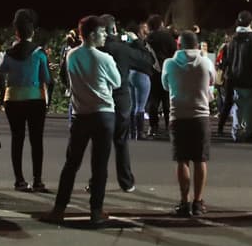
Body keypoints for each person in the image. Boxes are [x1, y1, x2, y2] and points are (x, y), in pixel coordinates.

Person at [47, 15, 121, 227]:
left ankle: (59, 208)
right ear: (91, 35)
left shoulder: (71, 55)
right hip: (104, 114)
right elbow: (116, 82)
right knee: (99, 165)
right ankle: (96, 211)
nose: (106, 34)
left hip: (81, 115)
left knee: (71, 163)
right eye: (102, 31)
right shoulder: (104, 58)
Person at [162, 30, 215, 217]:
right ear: (197, 45)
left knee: (182, 159)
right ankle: (198, 202)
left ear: (179, 45)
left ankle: (184, 202)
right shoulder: (206, 62)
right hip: (201, 115)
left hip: (178, 115)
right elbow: (212, 81)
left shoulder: (169, 64)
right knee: (200, 159)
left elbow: (165, 85)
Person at [0, 9, 52, 191]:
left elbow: (2, 70)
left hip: (12, 99)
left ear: (16, 32)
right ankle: (38, 180)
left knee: (17, 139)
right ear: (32, 32)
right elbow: (46, 78)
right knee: (36, 141)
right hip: (35, 99)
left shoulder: (9, 53)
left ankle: (19, 180)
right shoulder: (39, 53)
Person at [101, 14, 149, 193]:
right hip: (120, 98)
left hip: (99, 99)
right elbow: (146, 62)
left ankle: (97, 180)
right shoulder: (122, 48)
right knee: (121, 141)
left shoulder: (95, 49)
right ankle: (126, 181)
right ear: (114, 29)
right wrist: (136, 41)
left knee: (100, 143)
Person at [222, 10, 252, 141]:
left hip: (235, 79)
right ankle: (249, 132)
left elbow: (228, 60)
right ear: (251, 22)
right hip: (251, 80)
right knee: (251, 108)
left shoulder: (233, 39)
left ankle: (237, 132)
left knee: (238, 107)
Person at [144, 14, 177, 137]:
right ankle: (169, 126)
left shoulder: (147, 39)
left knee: (153, 99)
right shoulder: (167, 37)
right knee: (167, 98)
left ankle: (153, 126)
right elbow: (174, 51)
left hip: (152, 72)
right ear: (161, 24)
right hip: (167, 70)